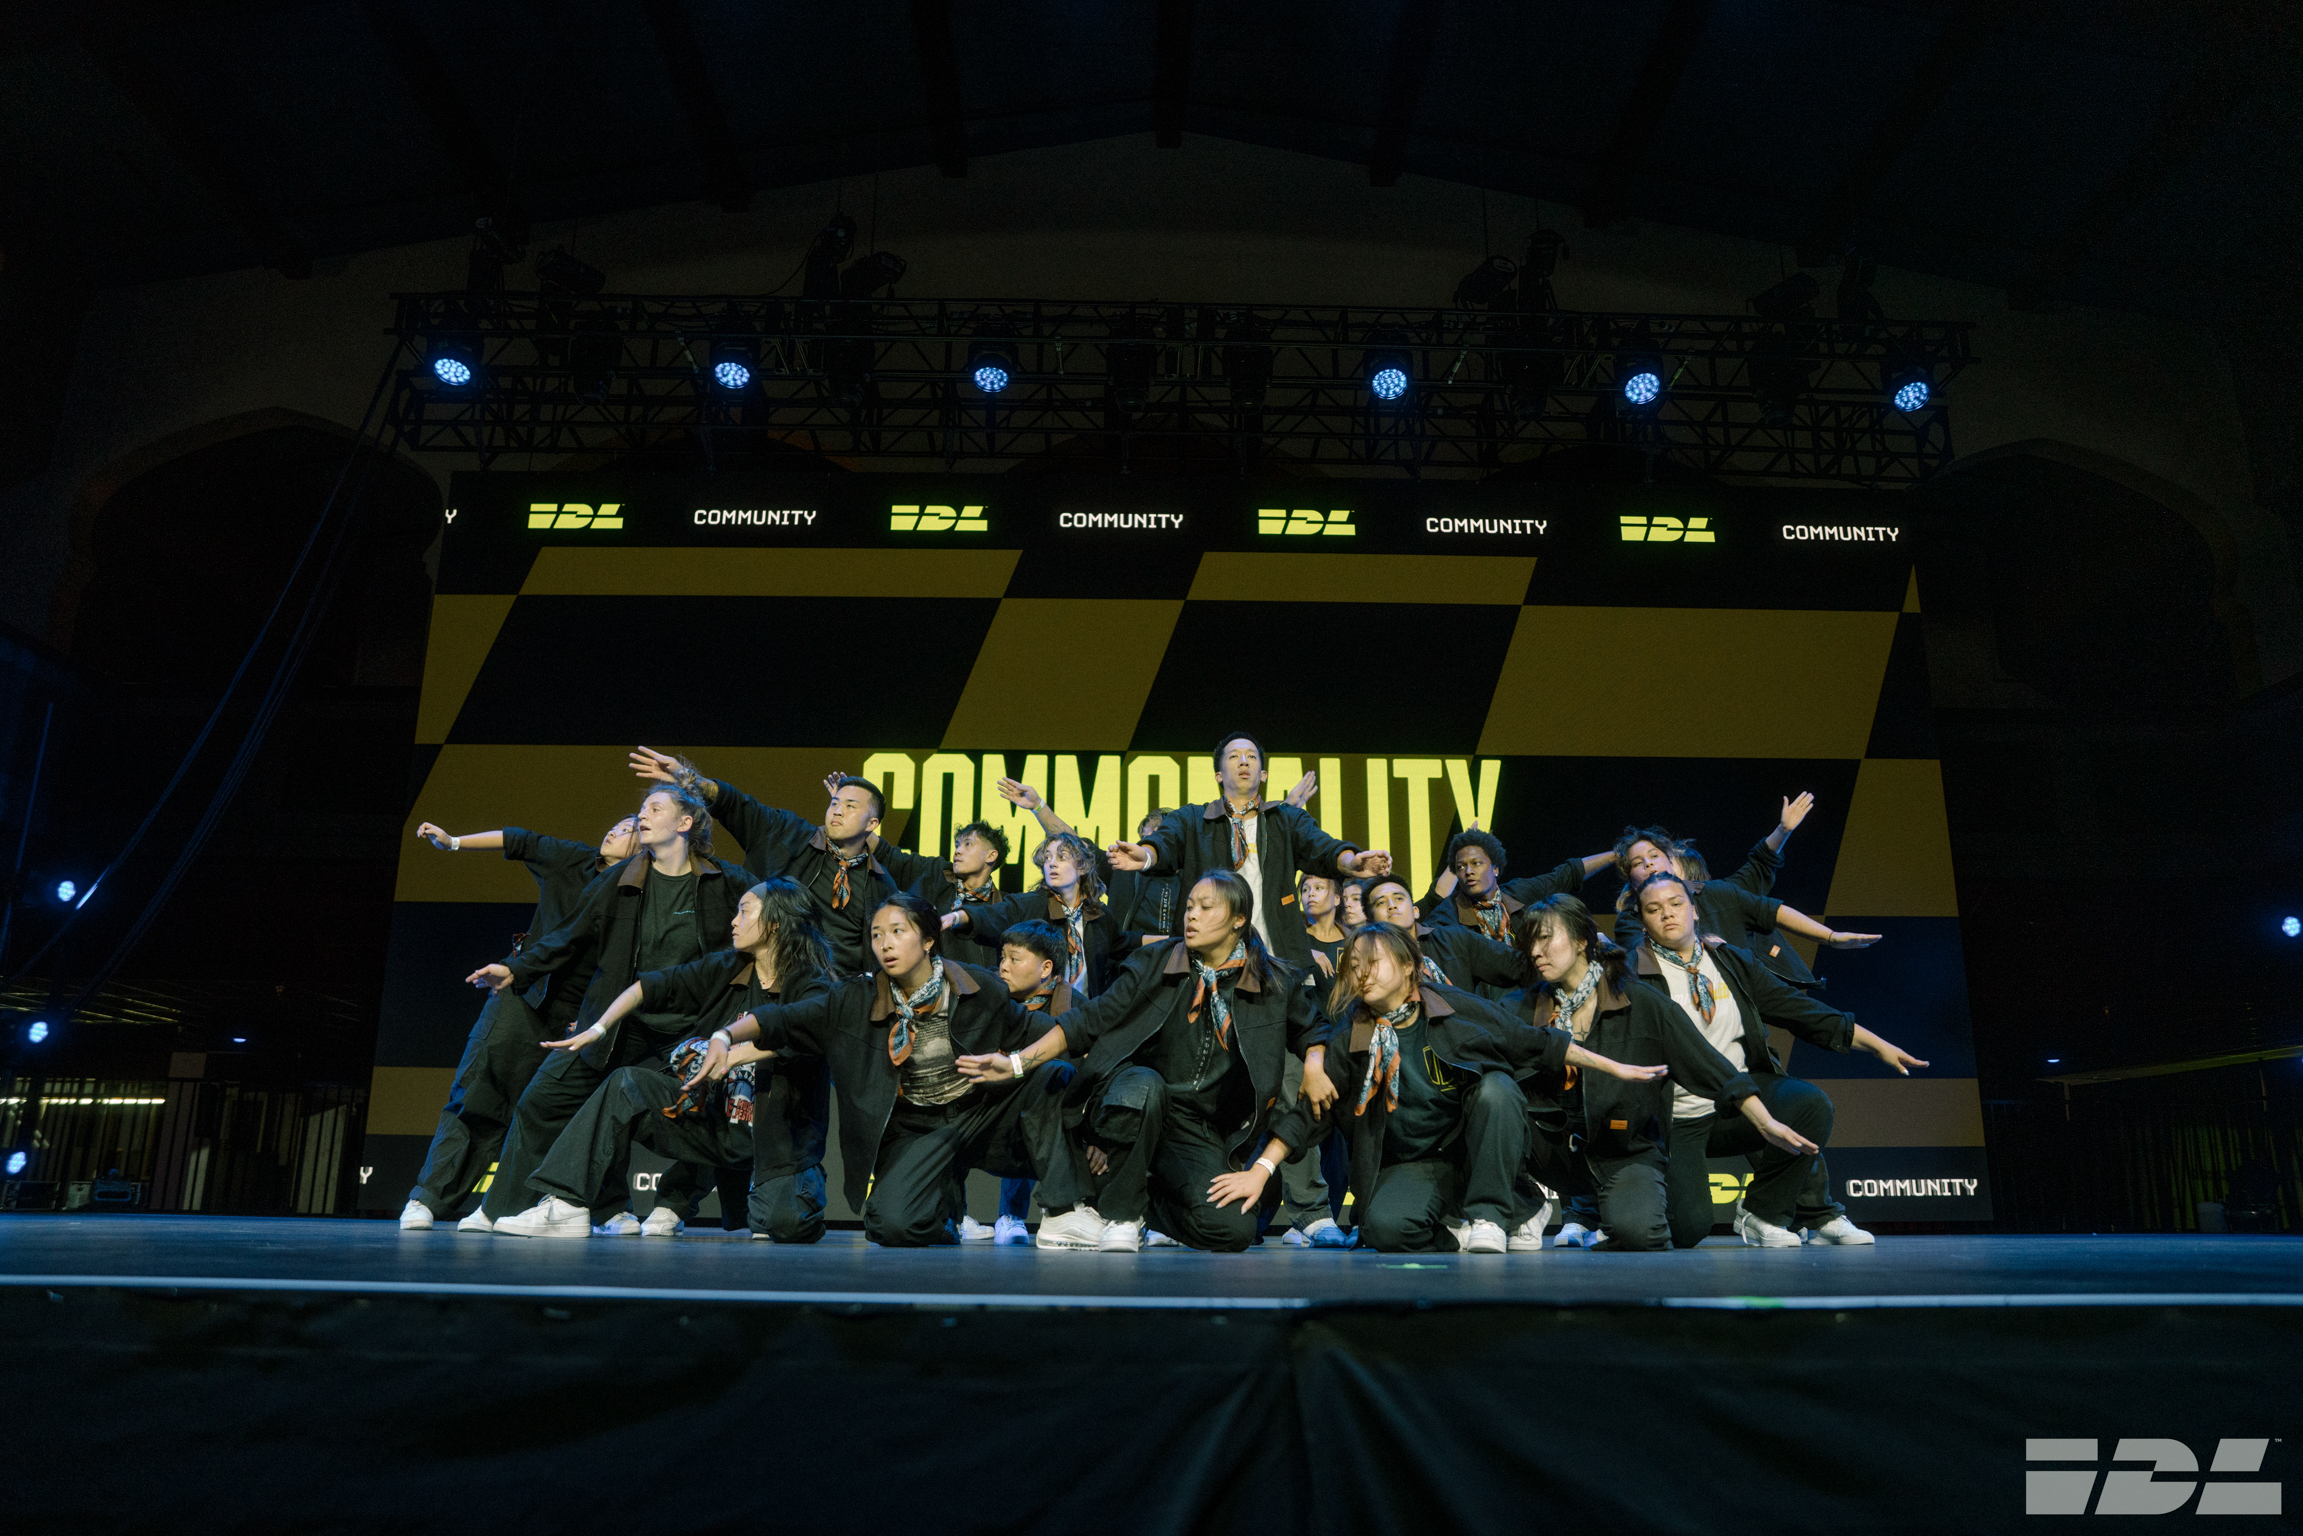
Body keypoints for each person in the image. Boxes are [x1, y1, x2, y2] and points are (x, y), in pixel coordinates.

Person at [701, 893, 1102, 1248]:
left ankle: (1064, 1212)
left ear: (928, 940)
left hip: (982, 1114)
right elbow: (781, 1018)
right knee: (891, 1226)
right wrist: (724, 1036)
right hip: (917, 1128)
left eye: (897, 931)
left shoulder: (980, 988)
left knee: (1051, 1074)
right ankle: (943, 1209)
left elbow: (1054, 1034)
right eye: (877, 935)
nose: (885, 944)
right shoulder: (853, 999)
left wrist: (1068, 1090)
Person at [957, 870, 1328, 1253]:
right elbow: (1089, 1020)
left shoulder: (1272, 982)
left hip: (1194, 1128)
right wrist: (1017, 1063)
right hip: (1133, 1096)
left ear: (1239, 920)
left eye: (1205, 907)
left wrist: (1314, 1063)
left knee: (1230, 1229)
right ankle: (1122, 1215)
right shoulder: (1156, 961)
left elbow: (1316, 1030)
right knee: (1145, 1085)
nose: (1191, 916)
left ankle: (1123, 1200)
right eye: (1188, 907)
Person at [462, 781, 747, 1231]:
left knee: (700, 1116)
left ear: (685, 823)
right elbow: (571, 933)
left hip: (688, 1031)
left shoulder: (725, 882)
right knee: (543, 1100)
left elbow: (773, 918)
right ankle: (505, 1210)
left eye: (655, 808)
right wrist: (517, 969)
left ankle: (671, 1204)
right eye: (643, 808)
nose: (643, 815)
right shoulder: (624, 877)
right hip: (619, 1023)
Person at [490, 877, 836, 1240]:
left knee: (782, 1225)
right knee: (627, 1085)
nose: (734, 921)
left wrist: (731, 1053)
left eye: (744, 911)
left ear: (776, 922)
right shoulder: (726, 968)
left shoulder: (812, 982)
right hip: (716, 1124)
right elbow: (649, 986)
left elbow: (803, 1033)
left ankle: (680, 1197)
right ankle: (567, 1204)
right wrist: (600, 1027)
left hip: (777, 1139)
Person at [1303, 921, 1664, 1252]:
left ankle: (1494, 1213)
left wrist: (1613, 1066)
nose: (1361, 974)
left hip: (1470, 1148)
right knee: (1385, 1230)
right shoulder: (1353, 1031)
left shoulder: (1453, 1007)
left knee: (1496, 1087)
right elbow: (1309, 1112)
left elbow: (1535, 1041)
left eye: (1373, 962)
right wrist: (1263, 1168)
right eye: (1353, 966)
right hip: (1416, 1164)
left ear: (1409, 965)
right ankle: (1457, 1226)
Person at [1503, 893, 1819, 1251]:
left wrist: (1764, 1122)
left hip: (1623, 1153)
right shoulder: (1519, 1008)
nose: (1535, 951)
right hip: (1555, 1154)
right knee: (1488, 1091)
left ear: (1580, 941)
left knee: (1646, 1233)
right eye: (1530, 942)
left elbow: (1711, 1066)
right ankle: (1525, 1206)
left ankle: (1617, 1215)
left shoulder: (1641, 1002)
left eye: (1545, 938)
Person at [1627, 871, 1928, 1247]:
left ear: (1695, 910)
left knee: (1808, 1104)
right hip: (1676, 1119)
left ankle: (1762, 1213)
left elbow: (1799, 1010)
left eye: (1676, 904)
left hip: (1737, 1106)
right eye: (1654, 909)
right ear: (1642, 921)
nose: (1668, 914)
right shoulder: (1631, 973)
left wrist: (1876, 1043)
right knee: (1688, 1229)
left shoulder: (1731, 961)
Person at [397, 814, 635, 1231]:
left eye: (630, 827)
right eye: (614, 825)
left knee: (585, 1111)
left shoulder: (645, 890)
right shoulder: (573, 860)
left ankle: (606, 1207)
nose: (614, 829)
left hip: (588, 1016)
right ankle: (430, 1199)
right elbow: (517, 839)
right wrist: (453, 841)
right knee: (479, 1093)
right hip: (527, 998)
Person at [630, 748, 928, 976]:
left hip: (837, 994)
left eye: (850, 806)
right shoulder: (790, 835)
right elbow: (739, 806)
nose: (837, 811)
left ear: (872, 823)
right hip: (775, 978)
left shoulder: (880, 882)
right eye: (834, 803)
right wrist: (689, 779)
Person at [1609, 795, 1880, 990]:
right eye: (1637, 862)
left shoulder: (1720, 895)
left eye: (1657, 856)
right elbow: (1637, 963)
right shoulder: (1634, 920)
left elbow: (1769, 902)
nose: (1649, 864)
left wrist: (1831, 937)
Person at [958, 918, 1075, 1244]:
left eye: (1014, 959)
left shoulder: (1074, 1009)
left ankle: (1019, 1215)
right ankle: (954, 1213)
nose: (1003, 968)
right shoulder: (987, 998)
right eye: (1002, 959)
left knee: (1052, 1073)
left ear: (1045, 968)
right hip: (983, 1112)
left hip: (1041, 1121)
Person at [948, 832, 1143, 998]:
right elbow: (991, 914)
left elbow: (1123, 943)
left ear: (1082, 867)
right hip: (1041, 1015)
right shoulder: (1032, 904)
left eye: (1061, 857)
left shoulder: (1098, 913)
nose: (1052, 864)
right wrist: (956, 917)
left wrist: (1171, 940)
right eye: (1048, 858)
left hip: (1085, 1015)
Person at [1422, 828, 1616, 939]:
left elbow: (1567, 874)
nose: (1469, 871)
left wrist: (1617, 855)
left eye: (1476, 863)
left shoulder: (1519, 893)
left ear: (1495, 868)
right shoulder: (1447, 915)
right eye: (1461, 867)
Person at [1361, 875, 1531, 993]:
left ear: (1416, 911)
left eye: (1399, 898)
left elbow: (1515, 965)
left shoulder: (1454, 939)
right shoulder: (1368, 965)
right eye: (1381, 902)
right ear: (1370, 922)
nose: (1392, 905)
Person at [905, 817, 1011, 968]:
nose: (958, 851)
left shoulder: (1004, 907)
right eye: (957, 845)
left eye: (968, 844)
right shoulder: (935, 883)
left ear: (991, 856)